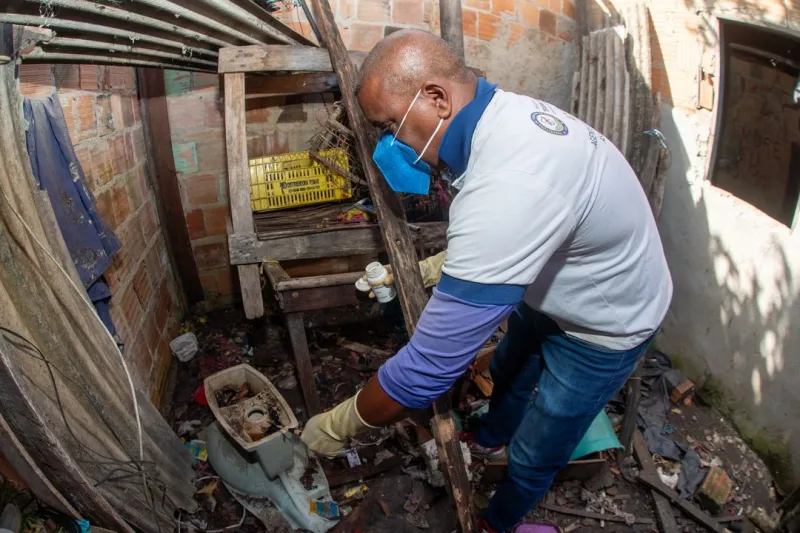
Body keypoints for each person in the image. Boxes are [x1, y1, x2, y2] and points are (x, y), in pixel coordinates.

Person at [300, 29, 673, 533]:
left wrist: (336, 426)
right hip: (556, 288)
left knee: (540, 445)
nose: (388, 144)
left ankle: (498, 522)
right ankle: (490, 435)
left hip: (606, 324)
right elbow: (512, 238)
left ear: (437, 98)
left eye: (389, 126)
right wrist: (430, 270)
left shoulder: (511, 181)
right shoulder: (500, 119)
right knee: (509, 368)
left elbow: (428, 368)